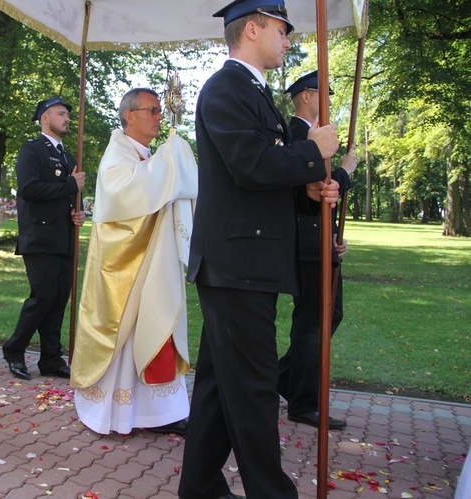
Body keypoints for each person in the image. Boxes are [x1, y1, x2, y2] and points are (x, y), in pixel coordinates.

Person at [178, 1, 342, 498]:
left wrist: (310, 187)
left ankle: (201, 488)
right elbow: (250, 164)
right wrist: (314, 152)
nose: (288, 40)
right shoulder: (227, 87)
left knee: (217, 388)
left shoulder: (252, 91)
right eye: (281, 29)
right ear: (252, 28)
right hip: (237, 265)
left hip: (243, 263)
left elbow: (256, 177)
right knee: (252, 390)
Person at [70, 88, 197, 435]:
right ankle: (117, 411)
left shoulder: (145, 156)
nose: (158, 116)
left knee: (157, 330)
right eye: (152, 110)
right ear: (129, 115)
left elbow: (163, 189)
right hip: (123, 274)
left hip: (154, 266)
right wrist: (169, 161)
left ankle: (160, 413)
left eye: (160, 110)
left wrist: (167, 166)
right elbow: (128, 194)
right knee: (126, 339)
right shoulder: (117, 156)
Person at [277, 70, 357, 431]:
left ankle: (285, 379)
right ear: (306, 96)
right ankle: (303, 402)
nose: (328, 101)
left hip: (316, 239)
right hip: (306, 242)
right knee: (314, 322)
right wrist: (345, 171)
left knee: (326, 316)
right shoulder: (299, 136)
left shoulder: (309, 136)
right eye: (323, 93)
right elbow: (317, 187)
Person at [2, 96, 85, 381]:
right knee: (44, 296)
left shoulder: (69, 157)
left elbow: (74, 196)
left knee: (59, 298)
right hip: (39, 236)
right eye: (61, 114)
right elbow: (29, 188)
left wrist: (79, 213)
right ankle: (14, 349)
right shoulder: (32, 150)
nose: (67, 119)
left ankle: (51, 357)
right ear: (45, 118)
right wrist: (69, 185)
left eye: (68, 115)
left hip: (64, 238)